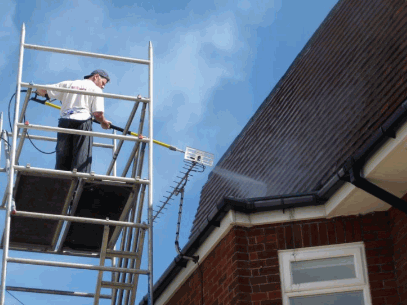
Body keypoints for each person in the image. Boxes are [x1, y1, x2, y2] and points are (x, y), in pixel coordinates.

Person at [37, 69, 111, 173]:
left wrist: (37, 92)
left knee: (63, 156)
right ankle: (79, 183)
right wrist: (104, 122)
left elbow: (43, 90)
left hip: (65, 121)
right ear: (96, 77)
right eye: (103, 83)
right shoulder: (96, 89)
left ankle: (61, 181)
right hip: (83, 121)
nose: (103, 86)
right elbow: (97, 114)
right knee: (82, 157)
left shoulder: (68, 84)